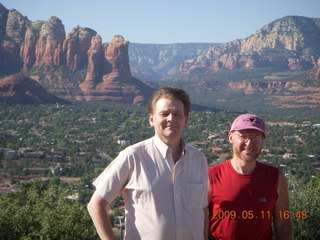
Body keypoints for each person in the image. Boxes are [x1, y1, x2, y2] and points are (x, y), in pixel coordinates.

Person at [87, 87, 209, 240]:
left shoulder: (198, 159)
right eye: (164, 114)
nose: (171, 119)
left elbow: (202, 211)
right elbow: (95, 205)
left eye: (177, 114)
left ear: (186, 120)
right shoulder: (133, 156)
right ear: (151, 120)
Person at [208, 113, 293, 240]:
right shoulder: (211, 175)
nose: (249, 143)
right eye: (243, 136)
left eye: (256, 137)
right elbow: (199, 220)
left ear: (263, 140)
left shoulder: (276, 177)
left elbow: (283, 223)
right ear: (230, 137)